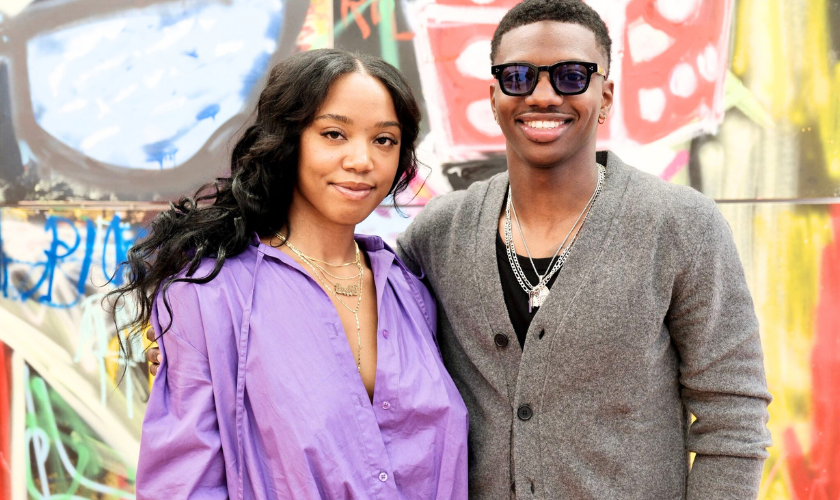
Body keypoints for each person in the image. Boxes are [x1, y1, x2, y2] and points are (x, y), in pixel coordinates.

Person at [148, 1, 772, 498]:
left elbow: (734, 417)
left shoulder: (679, 226)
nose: (544, 95)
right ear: (493, 96)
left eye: (572, 76)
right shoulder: (436, 242)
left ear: (605, 95)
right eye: (519, 77)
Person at [122, 48, 469, 499]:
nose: (362, 160)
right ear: (289, 140)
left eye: (384, 140)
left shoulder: (410, 290)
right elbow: (184, 485)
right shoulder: (211, 295)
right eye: (334, 134)